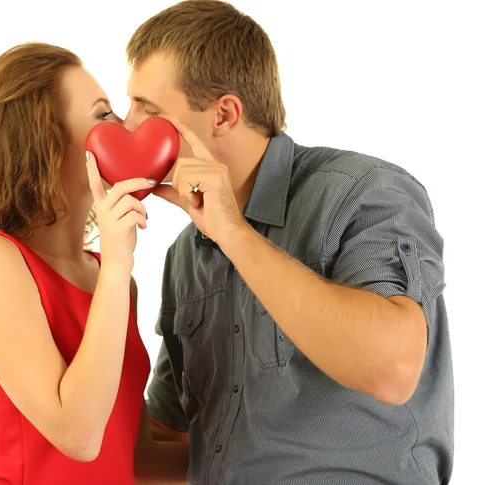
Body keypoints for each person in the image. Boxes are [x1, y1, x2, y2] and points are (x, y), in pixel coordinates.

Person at [123, 1, 454, 484]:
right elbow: (167, 448)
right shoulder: (184, 258)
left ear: (224, 115)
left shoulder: (362, 191)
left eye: (147, 111)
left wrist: (234, 234)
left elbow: (393, 367)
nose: (127, 126)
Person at [0, 42, 187, 484]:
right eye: (103, 114)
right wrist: (119, 266)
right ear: (43, 139)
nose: (124, 125)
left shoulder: (110, 277)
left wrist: (259, 457)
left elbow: (136, 461)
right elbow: (79, 436)